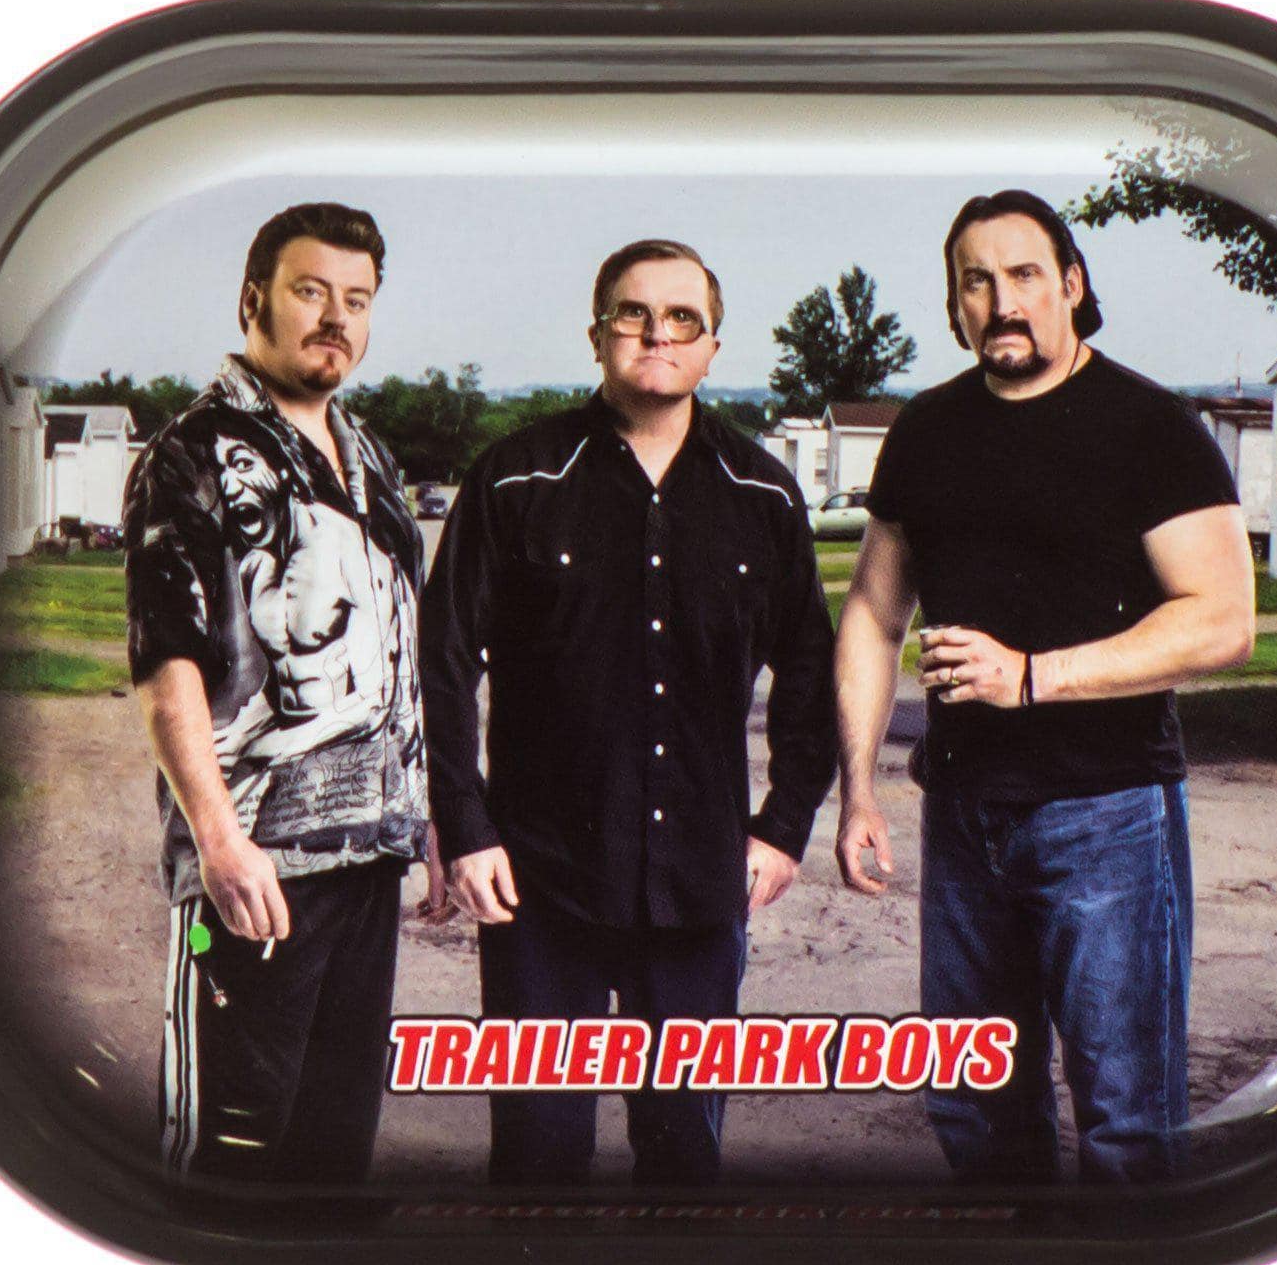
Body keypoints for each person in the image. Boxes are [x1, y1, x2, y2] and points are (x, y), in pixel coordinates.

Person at [834, 189, 1254, 1183]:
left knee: (1123, 1122)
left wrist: (1031, 677)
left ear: (1071, 286)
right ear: (952, 308)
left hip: (1106, 813)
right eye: (973, 282)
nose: (1001, 300)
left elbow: (1223, 620)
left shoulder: (1149, 426)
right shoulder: (926, 430)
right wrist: (857, 785)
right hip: (964, 816)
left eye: (1024, 275)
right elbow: (870, 613)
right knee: (974, 1110)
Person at [419, 239, 838, 1186]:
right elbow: (441, 662)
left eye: (682, 316)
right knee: (537, 1156)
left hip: (698, 886)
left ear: (713, 345)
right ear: (597, 332)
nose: (657, 333)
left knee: (685, 1156)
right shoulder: (515, 478)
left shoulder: (763, 494)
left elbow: (809, 672)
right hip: (538, 884)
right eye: (633, 313)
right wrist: (466, 823)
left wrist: (783, 825)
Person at [123, 200, 427, 1183]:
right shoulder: (196, 452)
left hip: (369, 857)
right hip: (260, 867)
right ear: (254, 299)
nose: (335, 317)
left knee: (335, 1152)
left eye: (357, 299)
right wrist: (217, 840)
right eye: (310, 292)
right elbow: (167, 659)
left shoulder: (372, 459)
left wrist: (415, 825)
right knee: (235, 1151)